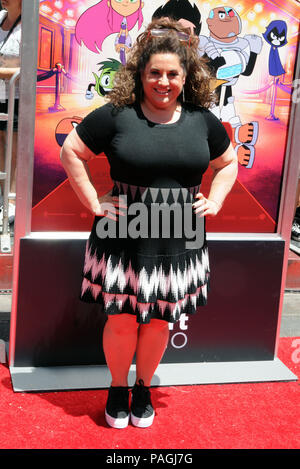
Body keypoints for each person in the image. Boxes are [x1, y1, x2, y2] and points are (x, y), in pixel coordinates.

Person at [60, 18, 238, 429]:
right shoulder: (116, 115)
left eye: (172, 74)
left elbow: (227, 164)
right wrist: (93, 201)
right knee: (121, 318)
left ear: (185, 76)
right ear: (140, 75)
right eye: (154, 73)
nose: (163, 81)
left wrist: (215, 200)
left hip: (180, 232)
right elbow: (72, 151)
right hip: (123, 229)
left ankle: (143, 389)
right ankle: (117, 389)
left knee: (159, 320)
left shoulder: (202, 120)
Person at [0, 0, 22, 225]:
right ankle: (2, 199)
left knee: (13, 150)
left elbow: (31, 65)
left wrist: (2, 72)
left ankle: (12, 202)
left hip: (16, 97)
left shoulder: (29, 26)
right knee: (0, 146)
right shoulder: (0, 18)